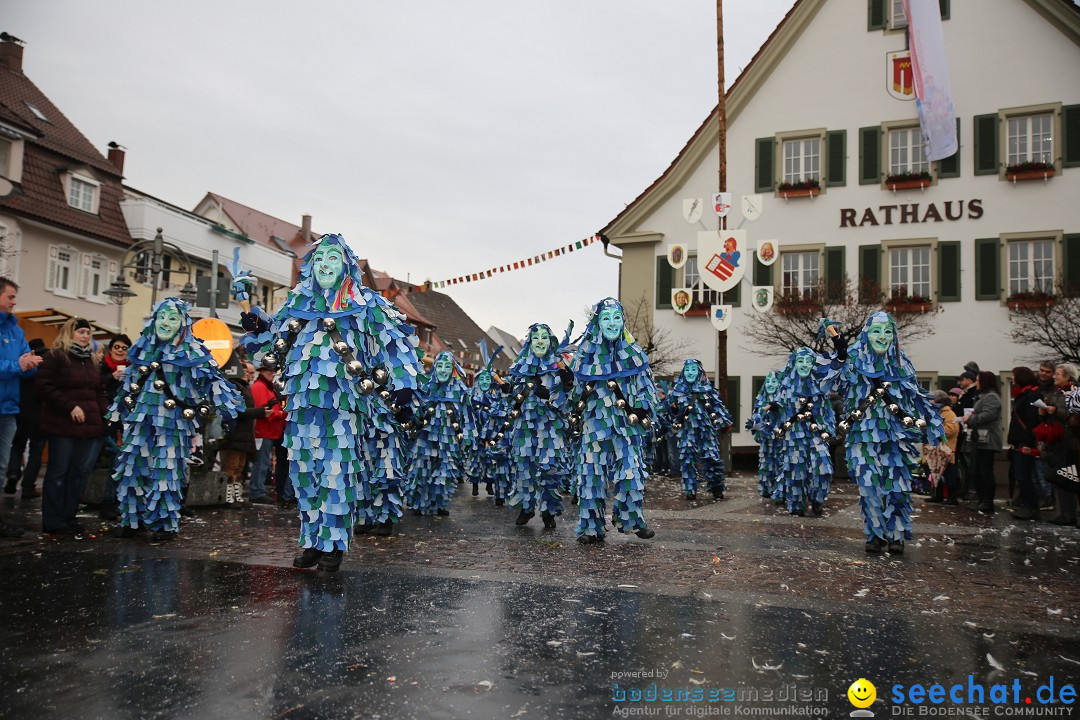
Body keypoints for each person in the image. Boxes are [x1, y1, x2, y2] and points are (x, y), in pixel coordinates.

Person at [240, 234, 420, 571]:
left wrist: (404, 385)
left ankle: (333, 546)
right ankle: (312, 542)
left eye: (333, 258)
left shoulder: (366, 303)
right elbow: (272, 349)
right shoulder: (298, 302)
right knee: (305, 473)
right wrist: (257, 327)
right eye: (319, 258)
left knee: (337, 475)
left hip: (342, 406)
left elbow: (397, 344)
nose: (324, 264)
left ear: (347, 267)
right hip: (301, 405)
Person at [108, 298, 243, 542]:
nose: (165, 323)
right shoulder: (144, 348)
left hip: (173, 421)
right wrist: (118, 408)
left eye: (172, 318)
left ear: (182, 324)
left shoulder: (192, 352)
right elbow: (130, 380)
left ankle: (163, 524)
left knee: (166, 470)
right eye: (162, 317)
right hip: (141, 419)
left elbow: (213, 380)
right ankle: (132, 520)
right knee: (132, 465)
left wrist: (228, 408)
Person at [825, 312, 944, 554]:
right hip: (862, 435)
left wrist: (934, 425)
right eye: (877, 331)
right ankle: (875, 535)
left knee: (897, 487)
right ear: (867, 334)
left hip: (896, 436)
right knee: (869, 486)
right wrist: (839, 353)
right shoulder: (853, 360)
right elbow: (833, 379)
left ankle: (896, 535)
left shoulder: (902, 363)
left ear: (894, 336)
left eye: (888, 332)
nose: (882, 336)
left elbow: (916, 396)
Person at [568, 297, 659, 544]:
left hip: (626, 426)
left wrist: (641, 408)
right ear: (597, 323)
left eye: (616, 318)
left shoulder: (635, 355)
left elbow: (646, 388)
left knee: (631, 473)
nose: (611, 323)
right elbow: (574, 393)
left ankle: (631, 519)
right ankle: (590, 527)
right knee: (591, 475)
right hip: (594, 426)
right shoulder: (583, 358)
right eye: (606, 318)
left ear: (622, 322)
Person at [37, 318, 108, 536]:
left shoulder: (92, 360)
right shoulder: (56, 356)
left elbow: (99, 390)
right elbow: (44, 385)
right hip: (62, 425)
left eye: (88, 332)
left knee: (78, 474)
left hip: (88, 426)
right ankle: (53, 521)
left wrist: (105, 414)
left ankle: (69, 517)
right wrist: (70, 407)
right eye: (81, 332)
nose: (85, 336)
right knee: (58, 473)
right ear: (70, 333)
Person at [506, 323, 573, 528]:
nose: (540, 341)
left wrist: (553, 394)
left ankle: (549, 511)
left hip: (550, 426)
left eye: (544, 337)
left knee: (549, 468)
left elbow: (569, 394)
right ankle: (526, 508)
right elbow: (512, 395)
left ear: (551, 342)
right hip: (525, 425)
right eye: (536, 338)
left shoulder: (558, 365)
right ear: (530, 341)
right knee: (524, 467)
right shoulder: (520, 366)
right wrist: (508, 391)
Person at [406, 350, 475, 517]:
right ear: (434, 368)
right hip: (424, 438)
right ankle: (418, 503)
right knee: (421, 469)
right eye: (440, 366)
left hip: (449, 440)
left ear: (453, 369)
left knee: (446, 470)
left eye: (447, 366)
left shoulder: (461, 391)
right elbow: (414, 410)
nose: (443, 370)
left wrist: (469, 434)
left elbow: (468, 416)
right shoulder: (425, 388)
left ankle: (439, 503)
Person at [772, 348, 835, 516]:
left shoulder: (821, 388)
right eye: (800, 361)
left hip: (816, 434)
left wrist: (828, 430)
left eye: (808, 361)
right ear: (793, 364)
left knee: (824, 468)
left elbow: (828, 412)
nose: (805, 365)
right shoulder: (785, 389)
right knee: (796, 471)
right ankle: (797, 504)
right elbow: (776, 411)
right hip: (793, 436)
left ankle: (817, 498)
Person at [665, 358, 732, 501]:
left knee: (711, 457)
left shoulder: (707, 390)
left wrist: (724, 422)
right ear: (683, 372)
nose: (690, 373)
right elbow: (668, 412)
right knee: (687, 458)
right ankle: (690, 489)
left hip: (706, 429)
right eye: (687, 370)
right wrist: (672, 409)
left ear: (699, 372)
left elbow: (717, 407)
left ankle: (716, 487)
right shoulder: (677, 392)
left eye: (693, 370)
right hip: (687, 430)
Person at [218, 357, 274, 505]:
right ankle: (228, 497)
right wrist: (260, 412)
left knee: (239, 467)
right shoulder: (234, 387)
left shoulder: (244, 387)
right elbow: (238, 411)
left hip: (243, 433)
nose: (250, 375)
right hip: (235, 433)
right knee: (231, 466)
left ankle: (236, 496)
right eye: (248, 372)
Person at [5, 337, 48, 499]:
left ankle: (13, 473)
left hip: (20, 408)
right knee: (36, 449)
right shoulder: (47, 361)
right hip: (39, 411)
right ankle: (28, 487)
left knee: (17, 444)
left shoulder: (22, 361)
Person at [95, 334, 131, 520]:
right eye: (117, 346)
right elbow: (96, 386)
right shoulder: (101, 366)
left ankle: (110, 503)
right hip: (101, 421)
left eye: (124, 348)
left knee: (117, 463)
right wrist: (111, 377)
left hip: (121, 424)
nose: (120, 350)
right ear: (111, 349)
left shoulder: (132, 370)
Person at [1041, 363, 1079, 525]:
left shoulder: (1074, 393)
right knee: (1062, 478)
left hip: (1070, 442)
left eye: (1058, 374)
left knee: (1069, 478)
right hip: (1058, 440)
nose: (1054, 376)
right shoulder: (1057, 392)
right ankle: (1065, 513)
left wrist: (1054, 411)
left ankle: (1070, 514)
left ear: (1067, 377)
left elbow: (1073, 416)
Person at [963, 371, 1003, 515]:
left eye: (979, 380)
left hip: (988, 440)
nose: (976, 383)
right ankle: (982, 500)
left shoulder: (991, 397)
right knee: (977, 472)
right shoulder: (984, 396)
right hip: (980, 440)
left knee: (985, 472)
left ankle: (987, 501)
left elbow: (989, 415)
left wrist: (971, 418)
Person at [1008, 366, 1043, 521]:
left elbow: (1031, 421)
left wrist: (1027, 441)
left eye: (1014, 376)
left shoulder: (1029, 396)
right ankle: (1028, 505)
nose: (1013, 379)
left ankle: (1031, 507)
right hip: (1019, 441)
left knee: (1024, 475)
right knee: (1021, 475)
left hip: (1025, 441)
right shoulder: (1024, 395)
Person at [248, 357, 284, 504]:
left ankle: (258, 489)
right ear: (262, 371)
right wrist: (282, 414)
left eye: (273, 370)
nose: (272, 373)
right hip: (264, 431)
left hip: (269, 431)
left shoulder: (266, 386)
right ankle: (256, 491)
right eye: (269, 370)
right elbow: (264, 411)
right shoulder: (260, 387)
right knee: (261, 463)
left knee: (264, 462)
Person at [924, 390, 960, 505]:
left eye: (932, 399)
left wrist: (934, 430)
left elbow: (951, 430)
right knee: (933, 474)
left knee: (948, 474)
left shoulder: (949, 414)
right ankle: (937, 495)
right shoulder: (932, 412)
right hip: (932, 451)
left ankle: (952, 497)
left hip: (945, 451)